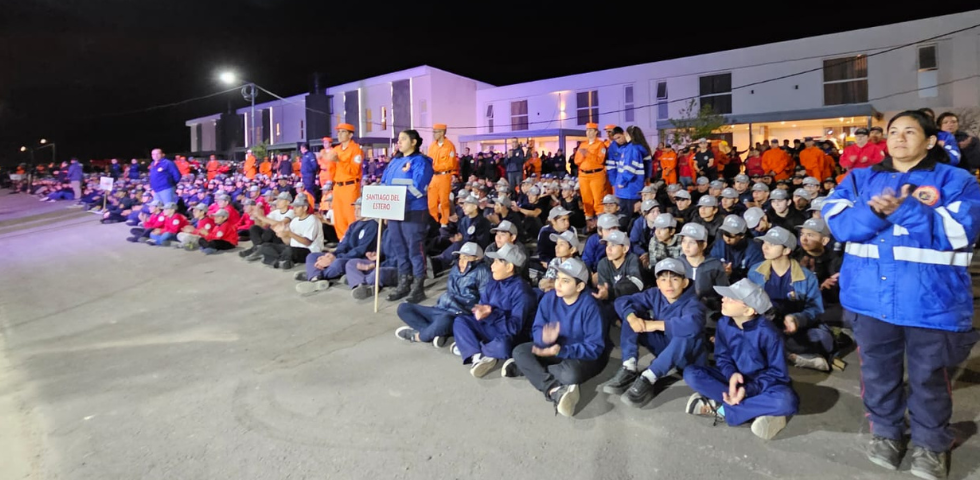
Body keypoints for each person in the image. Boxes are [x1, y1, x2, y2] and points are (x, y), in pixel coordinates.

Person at [822, 110, 980, 478]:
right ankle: (887, 433)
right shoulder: (859, 179)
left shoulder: (956, 180)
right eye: (893, 131)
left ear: (930, 141)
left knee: (929, 377)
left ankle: (931, 443)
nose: (899, 137)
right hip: (869, 300)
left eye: (910, 131)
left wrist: (906, 209)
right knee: (877, 373)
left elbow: (959, 232)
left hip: (931, 303)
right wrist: (875, 211)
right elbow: (838, 222)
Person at [683, 279, 799, 440]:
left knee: (786, 400)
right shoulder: (724, 323)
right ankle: (756, 410)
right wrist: (731, 375)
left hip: (763, 385)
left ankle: (723, 409)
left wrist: (748, 390)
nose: (723, 299)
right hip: (734, 381)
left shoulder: (769, 333)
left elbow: (778, 374)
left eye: (731, 298)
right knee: (691, 373)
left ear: (749, 311)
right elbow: (722, 357)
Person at [509, 258, 606, 418]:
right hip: (555, 349)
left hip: (581, 356)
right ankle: (554, 390)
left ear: (580, 286)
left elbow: (594, 348)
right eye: (558, 278)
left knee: (570, 375)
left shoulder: (591, 307)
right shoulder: (549, 298)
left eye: (565, 281)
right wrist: (543, 339)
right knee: (519, 351)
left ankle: (529, 370)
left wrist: (563, 350)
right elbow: (537, 328)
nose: (558, 284)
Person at [604, 258, 707, 407]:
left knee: (686, 333)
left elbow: (693, 325)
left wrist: (655, 325)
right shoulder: (656, 293)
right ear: (658, 283)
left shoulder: (693, 302)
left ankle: (648, 377)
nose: (669, 285)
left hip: (688, 357)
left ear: (685, 282)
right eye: (663, 279)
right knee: (632, 316)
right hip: (665, 348)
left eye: (675, 279)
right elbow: (622, 301)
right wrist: (632, 317)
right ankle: (629, 366)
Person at [748, 227, 829, 371]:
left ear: (786, 250)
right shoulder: (755, 272)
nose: (765, 247)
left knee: (821, 338)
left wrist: (797, 319)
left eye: (772, 244)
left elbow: (815, 308)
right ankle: (788, 355)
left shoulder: (806, 277)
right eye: (764, 242)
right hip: (764, 324)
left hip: (792, 327)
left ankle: (779, 353)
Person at [451, 243, 536, 378]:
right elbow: (483, 305)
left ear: (509, 267)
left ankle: (471, 347)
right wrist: (482, 312)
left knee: (503, 345)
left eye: (497, 262)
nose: (492, 266)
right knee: (460, 321)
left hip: (506, 334)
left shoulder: (522, 292)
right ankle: (478, 355)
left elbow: (514, 328)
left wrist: (491, 314)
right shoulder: (494, 281)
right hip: (490, 326)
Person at [395, 242, 491, 347]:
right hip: (441, 308)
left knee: (445, 320)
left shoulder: (483, 272)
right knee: (403, 308)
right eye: (460, 257)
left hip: (457, 314)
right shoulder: (455, 269)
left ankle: (419, 336)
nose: (462, 261)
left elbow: (483, 300)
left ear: (477, 259)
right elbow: (449, 291)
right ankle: (433, 333)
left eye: (466, 257)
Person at [380, 129, 434, 303]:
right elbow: (384, 182)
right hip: (394, 211)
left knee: (414, 249)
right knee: (399, 248)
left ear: (414, 142)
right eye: (398, 139)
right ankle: (404, 282)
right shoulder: (395, 162)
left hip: (413, 211)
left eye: (403, 139)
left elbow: (418, 188)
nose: (399, 142)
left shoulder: (421, 162)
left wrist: (395, 195)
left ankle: (418, 285)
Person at [325, 123, 364, 240]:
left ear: (350, 135)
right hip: (338, 187)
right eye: (339, 132)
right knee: (339, 217)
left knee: (351, 216)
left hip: (350, 186)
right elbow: (332, 170)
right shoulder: (336, 149)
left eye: (343, 132)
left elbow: (354, 170)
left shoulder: (356, 150)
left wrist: (338, 161)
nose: (339, 134)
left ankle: (352, 243)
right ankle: (342, 243)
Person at [573, 123, 610, 229]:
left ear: (595, 132)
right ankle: (589, 225)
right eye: (587, 130)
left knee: (598, 200)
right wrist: (584, 156)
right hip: (583, 175)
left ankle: (601, 226)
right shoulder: (583, 144)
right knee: (586, 201)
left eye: (590, 130)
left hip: (596, 175)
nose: (588, 133)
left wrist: (588, 154)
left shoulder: (600, 145)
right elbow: (577, 160)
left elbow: (600, 160)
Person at [427, 123, 457, 227]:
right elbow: (429, 160)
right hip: (434, 177)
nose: (433, 134)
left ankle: (444, 223)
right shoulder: (432, 146)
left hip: (445, 176)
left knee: (444, 201)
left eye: (435, 132)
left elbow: (451, 163)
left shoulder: (449, 146)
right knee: (432, 201)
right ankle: (434, 221)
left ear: (442, 132)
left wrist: (436, 167)